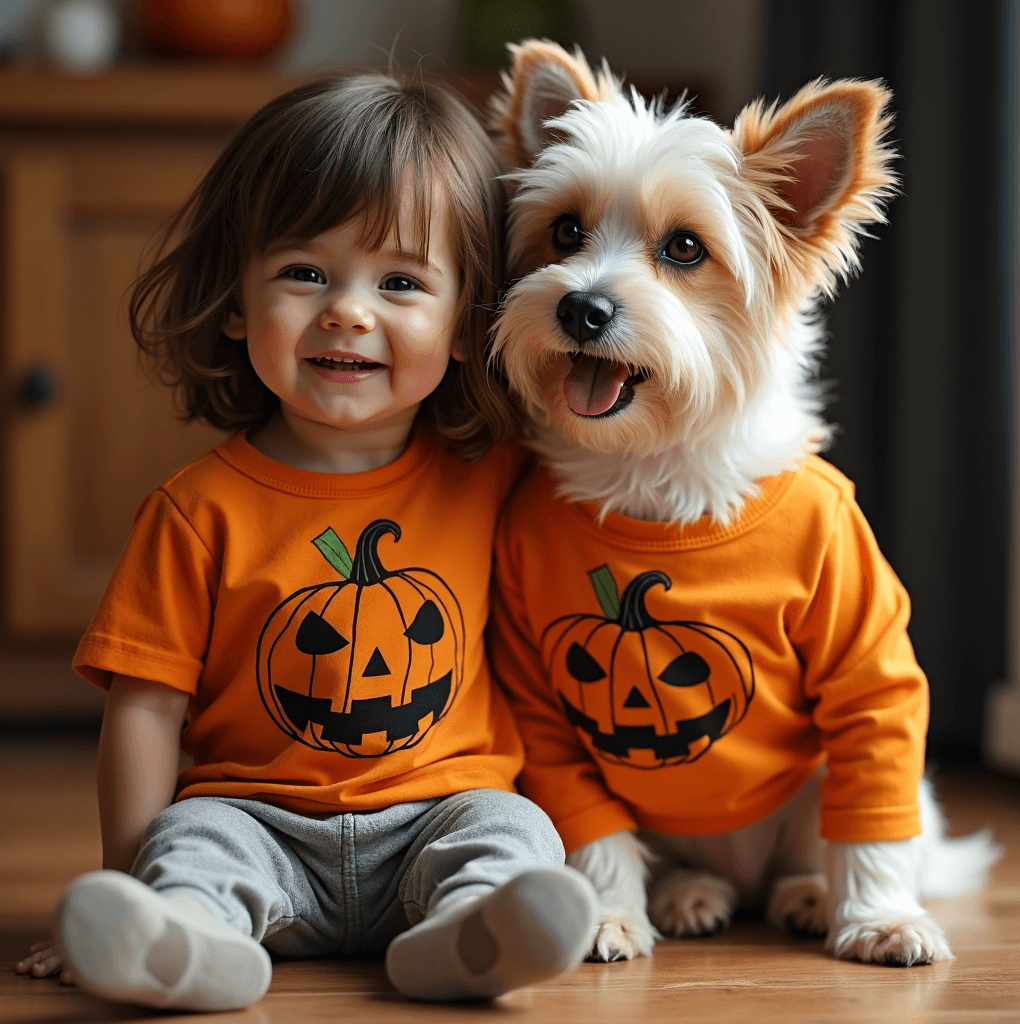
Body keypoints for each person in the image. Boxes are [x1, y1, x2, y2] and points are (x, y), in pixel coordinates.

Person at [15, 71, 597, 1012]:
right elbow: (144, 713)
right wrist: (130, 878)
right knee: (194, 846)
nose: (348, 312)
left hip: (439, 813)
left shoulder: (496, 472)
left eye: (401, 282)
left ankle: (472, 933)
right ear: (237, 302)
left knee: (514, 828)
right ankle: (184, 937)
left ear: (464, 324)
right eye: (305, 273)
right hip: (256, 819)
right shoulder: (195, 511)